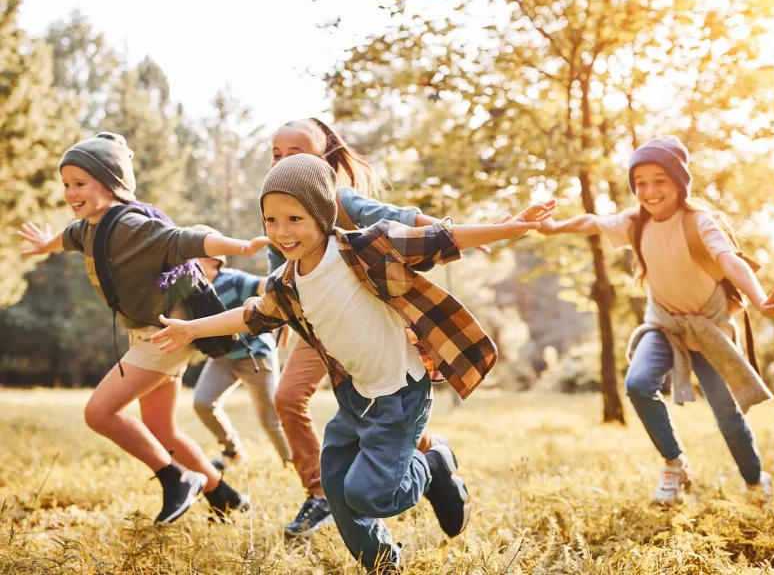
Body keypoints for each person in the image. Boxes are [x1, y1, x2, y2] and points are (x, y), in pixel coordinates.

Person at [152, 153, 556, 571]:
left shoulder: (365, 248)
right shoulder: (286, 283)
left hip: (400, 394)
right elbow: (252, 315)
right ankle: (381, 563)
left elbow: (437, 238)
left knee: (369, 494)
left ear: (322, 215)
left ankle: (432, 464)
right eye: (271, 220)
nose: (282, 232)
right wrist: (191, 329)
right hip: (355, 398)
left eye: (294, 219)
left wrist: (510, 227)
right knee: (336, 486)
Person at [17, 132, 263, 523]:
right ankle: (225, 498)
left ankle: (176, 478)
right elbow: (68, 238)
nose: (71, 193)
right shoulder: (89, 227)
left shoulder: (130, 225)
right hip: (149, 334)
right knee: (161, 429)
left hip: (164, 334)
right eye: (66, 184)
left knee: (99, 412)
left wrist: (240, 247)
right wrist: (45, 244)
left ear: (111, 183)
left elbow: (182, 240)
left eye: (80, 183)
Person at [537, 135, 774, 505]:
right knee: (638, 384)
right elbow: (591, 221)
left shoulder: (699, 222)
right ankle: (675, 465)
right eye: (640, 183)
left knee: (727, 414)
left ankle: (755, 480)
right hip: (664, 325)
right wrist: (554, 227)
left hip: (709, 329)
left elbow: (730, 262)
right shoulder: (635, 222)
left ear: (679, 182)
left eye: (660, 180)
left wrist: (761, 300)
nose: (649, 191)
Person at [266, 118, 487, 537]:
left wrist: (447, 231)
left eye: (295, 153)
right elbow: (277, 272)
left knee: (382, 405)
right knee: (289, 397)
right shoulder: (278, 207)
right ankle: (321, 492)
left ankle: (428, 461)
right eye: (276, 154)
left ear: (324, 159)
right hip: (319, 326)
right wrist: (280, 321)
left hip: (368, 321)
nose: (281, 161)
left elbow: (392, 217)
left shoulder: (339, 198)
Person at [190, 225, 292, 470]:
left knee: (270, 419)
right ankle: (233, 451)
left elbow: (267, 287)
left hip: (255, 356)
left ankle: (293, 463)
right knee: (203, 403)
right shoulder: (193, 290)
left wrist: (285, 313)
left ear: (213, 258)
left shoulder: (234, 280)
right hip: (223, 358)